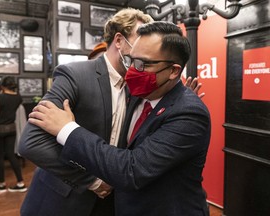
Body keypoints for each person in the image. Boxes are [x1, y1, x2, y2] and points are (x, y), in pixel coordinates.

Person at [27, 21, 211, 216]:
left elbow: (131, 170)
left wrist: (67, 129)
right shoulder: (139, 96)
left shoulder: (190, 113)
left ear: (174, 71)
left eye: (142, 64)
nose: (132, 70)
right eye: (131, 60)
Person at [19, 8, 153, 216]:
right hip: (61, 201)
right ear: (119, 40)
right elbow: (31, 142)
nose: (146, 51)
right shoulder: (75, 74)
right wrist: (93, 180)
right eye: (140, 40)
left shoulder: (136, 88)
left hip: (108, 204)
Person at [0, 76, 27, 192]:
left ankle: (1, 184)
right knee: (11, 155)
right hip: (11, 129)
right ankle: (20, 183)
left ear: (2, 85)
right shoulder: (18, 98)